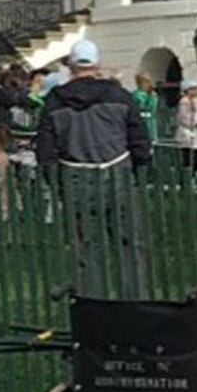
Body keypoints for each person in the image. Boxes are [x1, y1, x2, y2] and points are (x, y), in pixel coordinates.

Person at [35, 38, 152, 298]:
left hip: (75, 177)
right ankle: (134, 305)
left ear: (71, 65)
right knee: (130, 244)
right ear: (97, 63)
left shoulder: (55, 102)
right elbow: (139, 138)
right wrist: (142, 168)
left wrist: (54, 181)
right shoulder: (120, 96)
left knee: (85, 248)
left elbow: (45, 149)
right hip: (118, 172)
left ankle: (92, 308)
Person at [175, 80, 197, 174]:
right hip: (187, 133)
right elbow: (185, 119)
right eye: (194, 89)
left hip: (194, 133)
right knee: (190, 158)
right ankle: (188, 178)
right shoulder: (184, 102)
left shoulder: (192, 101)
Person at [130, 71, 161, 148]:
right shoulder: (138, 95)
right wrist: (151, 98)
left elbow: (153, 110)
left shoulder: (149, 94)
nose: (148, 84)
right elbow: (145, 107)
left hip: (151, 125)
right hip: (143, 125)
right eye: (146, 82)